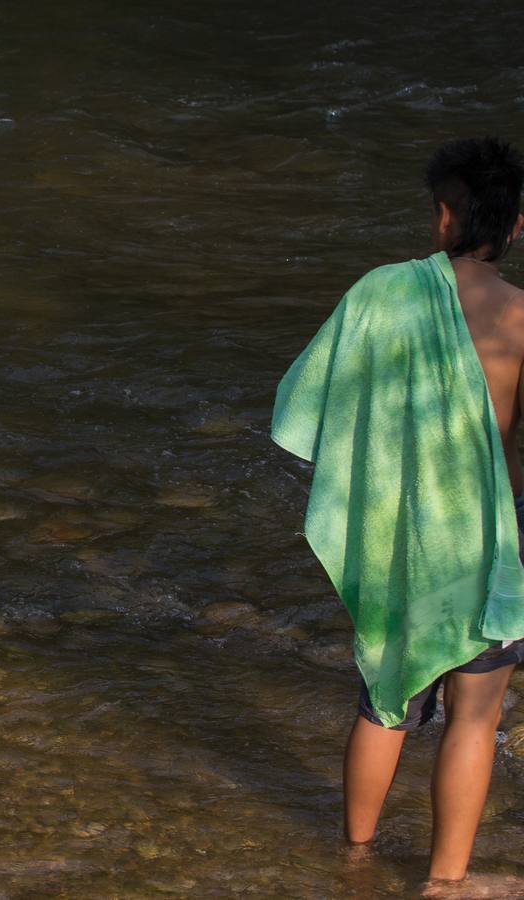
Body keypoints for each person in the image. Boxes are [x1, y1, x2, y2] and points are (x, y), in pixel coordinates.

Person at [272, 138, 524, 894]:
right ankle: (446, 880)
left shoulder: (383, 291)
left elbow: (311, 399)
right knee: (476, 717)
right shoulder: (521, 317)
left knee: (384, 701)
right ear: (516, 227)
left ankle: (353, 859)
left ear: (444, 216)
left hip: (400, 535)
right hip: (489, 542)